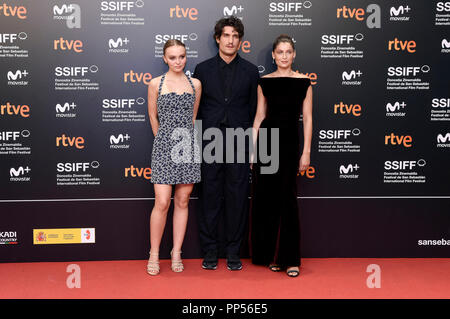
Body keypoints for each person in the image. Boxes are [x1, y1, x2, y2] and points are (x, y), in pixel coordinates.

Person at [194, 16, 259, 271]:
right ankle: (210, 251)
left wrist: (255, 149)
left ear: (240, 40)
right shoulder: (202, 69)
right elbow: (197, 112)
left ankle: (233, 252)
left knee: (237, 198)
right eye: (226, 35)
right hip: (209, 141)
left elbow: (256, 112)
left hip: (239, 141)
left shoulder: (251, 71)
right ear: (218, 38)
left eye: (236, 36)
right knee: (209, 196)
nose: (231, 40)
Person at [250, 34, 313, 277]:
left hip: (289, 144)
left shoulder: (304, 82)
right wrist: (253, 152)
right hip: (267, 142)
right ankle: (271, 256)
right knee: (266, 201)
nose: (284, 56)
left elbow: (307, 119)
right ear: (273, 55)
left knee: (287, 200)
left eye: (288, 52)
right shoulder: (264, 81)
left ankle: (291, 259)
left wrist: (305, 152)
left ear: (293, 54)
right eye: (280, 52)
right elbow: (258, 117)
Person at [146, 39, 202, 275]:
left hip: (187, 145)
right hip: (163, 147)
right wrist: (164, 143)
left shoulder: (196, 84)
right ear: (165, 59)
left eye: (182, 56)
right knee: (162, 202)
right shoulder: (155, 83)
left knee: (183, 200)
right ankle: (154, 254)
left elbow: (193, 118)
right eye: (173, 57)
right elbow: (153, 118)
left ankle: (176, 252)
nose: (178, 61)